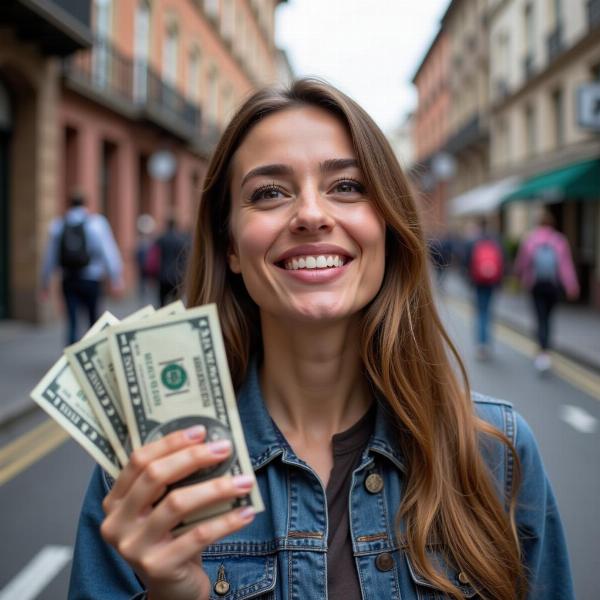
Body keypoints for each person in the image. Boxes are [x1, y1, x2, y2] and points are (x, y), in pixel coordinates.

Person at [68, 80, 573, 600]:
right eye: (269, 193)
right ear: (232, 247)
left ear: (387, 227)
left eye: (347, 186)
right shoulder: (149, 474)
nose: (311, 214)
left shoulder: (498, 452)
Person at [41, 193, 123, 344]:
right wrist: (116, 279)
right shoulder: (97, 223)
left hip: (69, 278)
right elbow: (109, 252)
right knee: (94, 321)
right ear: (86, 204)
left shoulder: (58, 225)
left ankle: (71, 358)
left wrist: (45, 282)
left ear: (69, 203)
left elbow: (49, 257)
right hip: (92, 278)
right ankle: (93, 355)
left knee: (72, 321)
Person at [514, 209, 579, 373]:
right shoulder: (559, 240)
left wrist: (518, 277)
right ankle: (546, 351)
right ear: (552, 224)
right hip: (553, 286)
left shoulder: (530, 239)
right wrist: (571, 285)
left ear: (538, 223)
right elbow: (565, 266)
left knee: (539, 317)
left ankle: (541, 351)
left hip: (535, 285)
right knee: (548, 318)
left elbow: (522, 263)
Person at [464, 218, 504, 360]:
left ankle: (481, 345)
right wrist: (499, 283)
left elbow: (467, 262)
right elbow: (502, 262)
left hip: (478, 282)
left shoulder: (474, 242)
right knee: (488, 312)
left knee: (480, 312)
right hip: (491, 283)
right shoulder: (495, 242)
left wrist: (469, 281)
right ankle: (487, 343)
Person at [148, 217, 190, 306]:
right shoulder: (181, 240)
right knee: (176, 304)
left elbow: (154, 256)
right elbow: (185, 259)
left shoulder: (161, 239)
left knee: (162, 303)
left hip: (162, 276)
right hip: (177, 277)